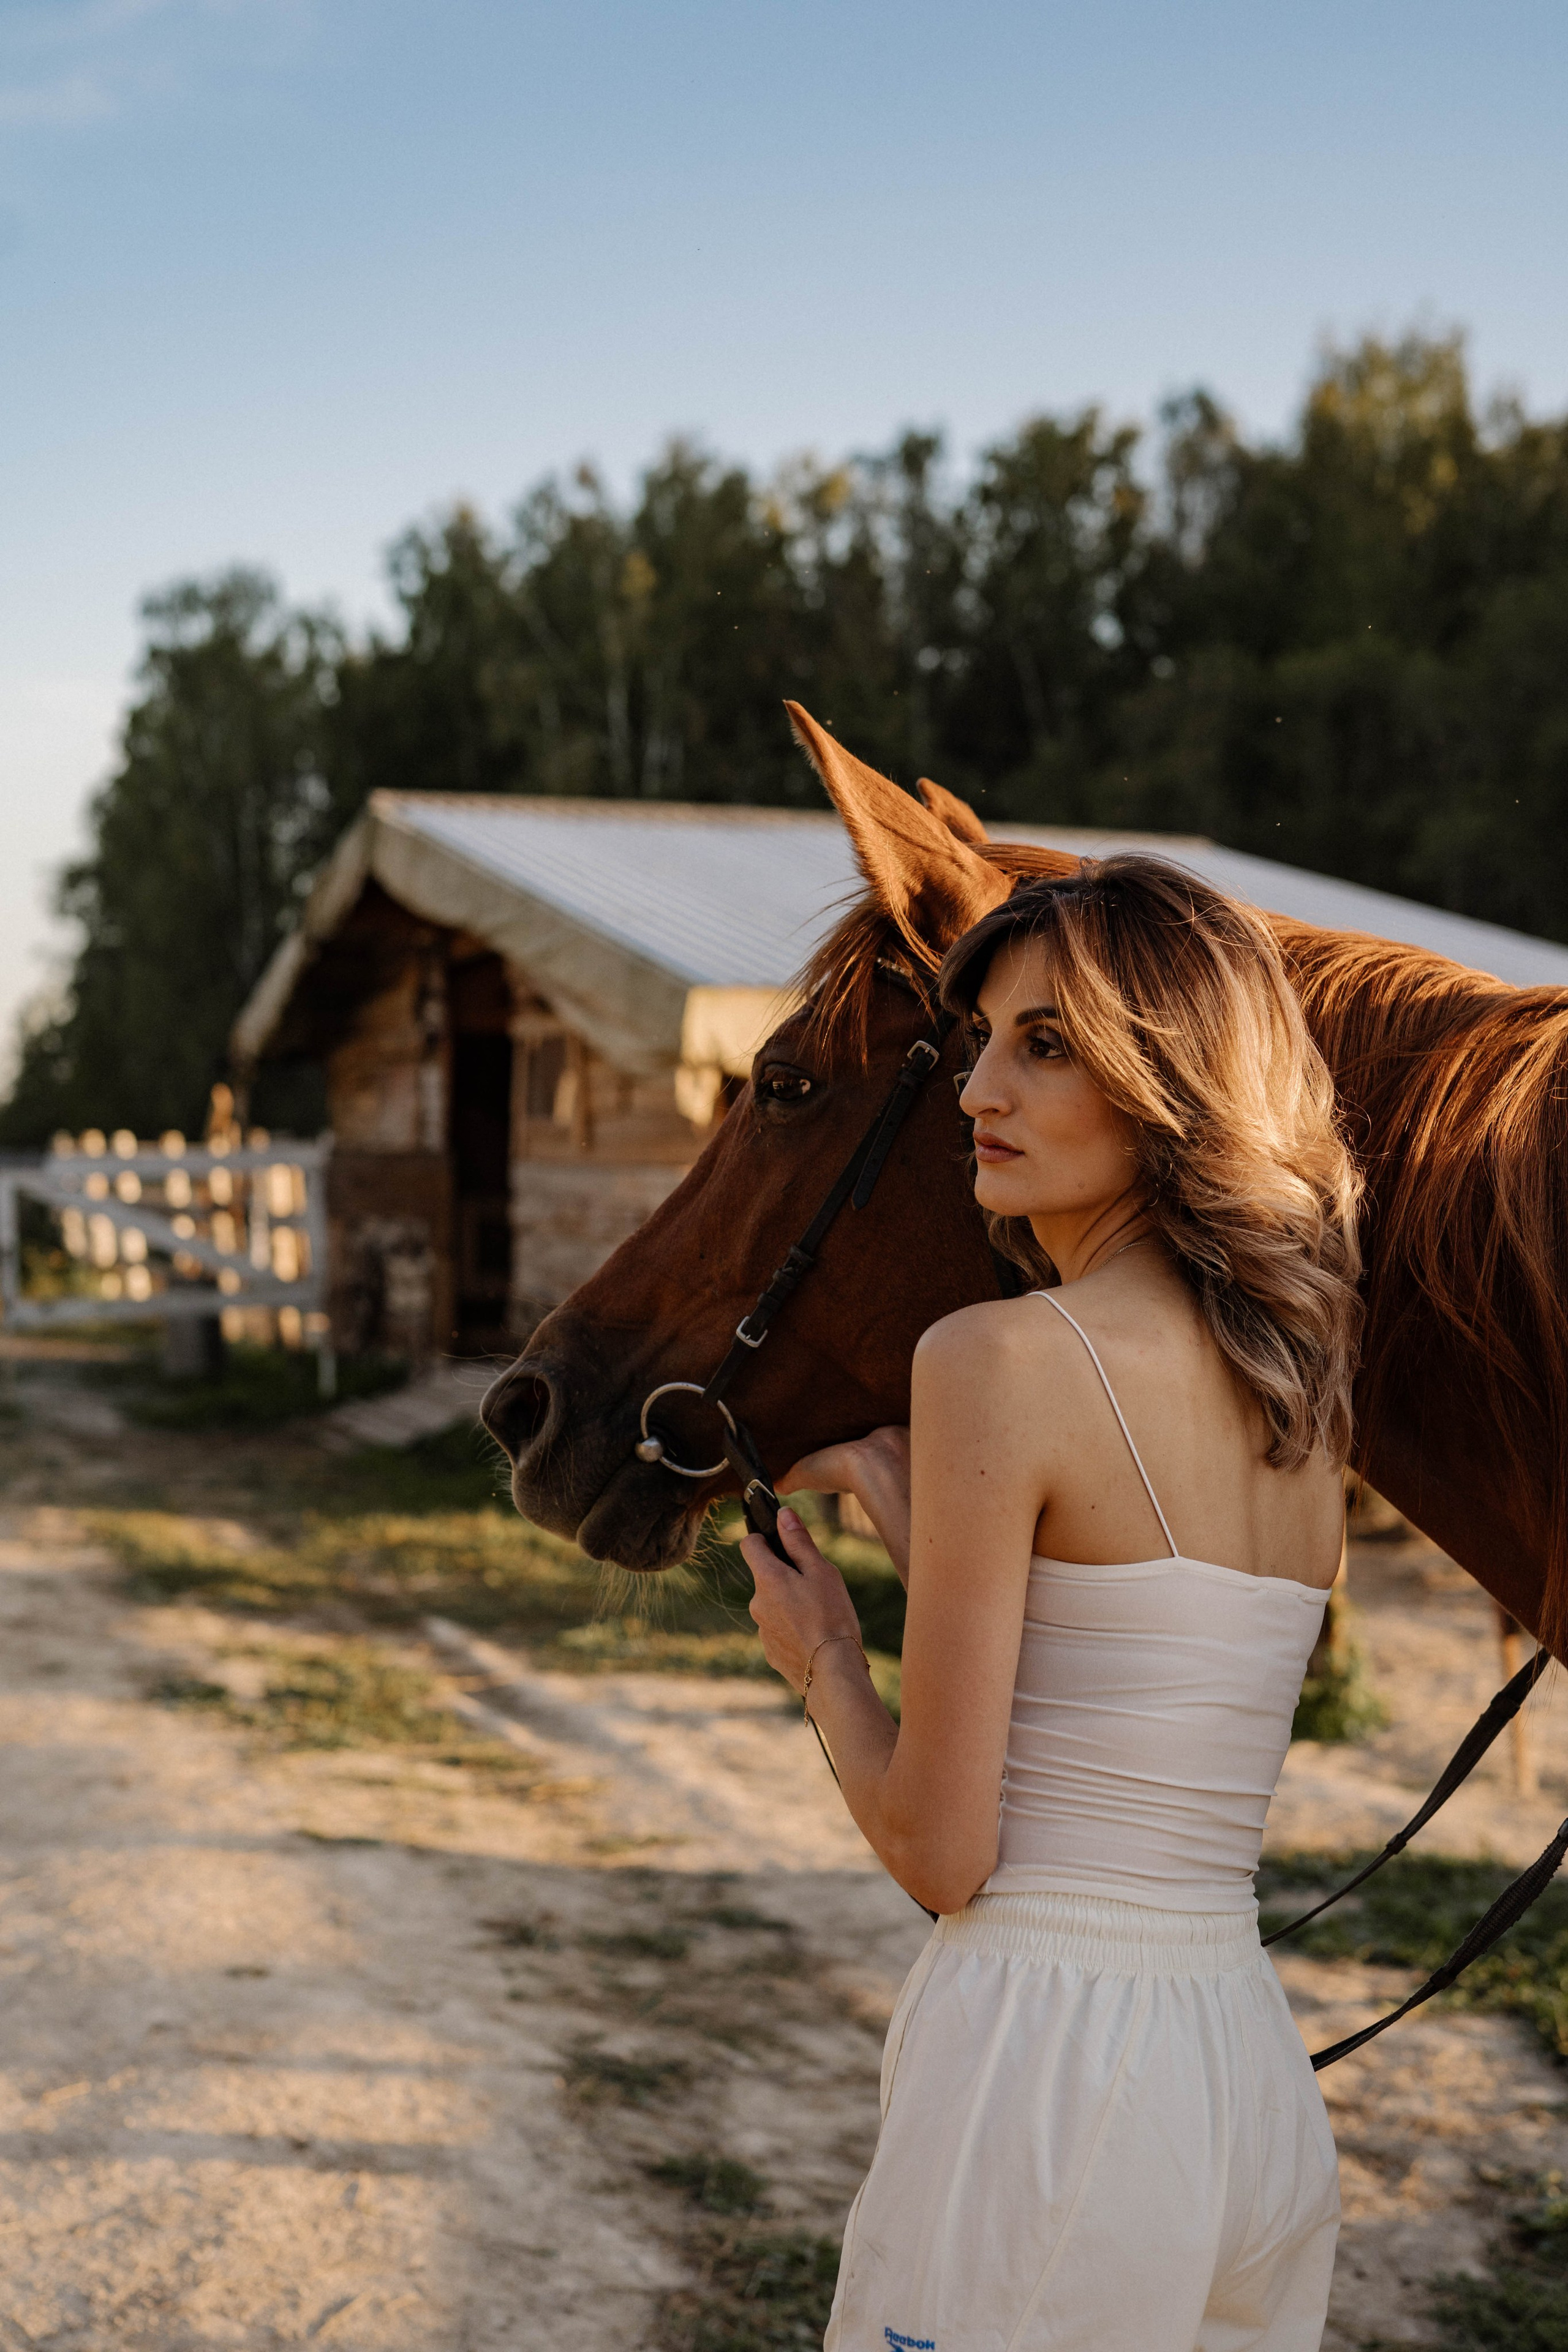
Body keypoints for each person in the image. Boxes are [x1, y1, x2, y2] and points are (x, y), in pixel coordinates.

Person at [741, 858, 1362, 2352]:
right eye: (980, 1048)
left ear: (1173, 1080)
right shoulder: (1302, 1397)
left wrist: (822, 1656)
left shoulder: (993, 1361)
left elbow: (946, 1856)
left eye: (1046, 1044)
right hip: (1237, 2074)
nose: (974, 1095)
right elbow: (1139, 1664)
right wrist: (922, 1518)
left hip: (1047, 2077)